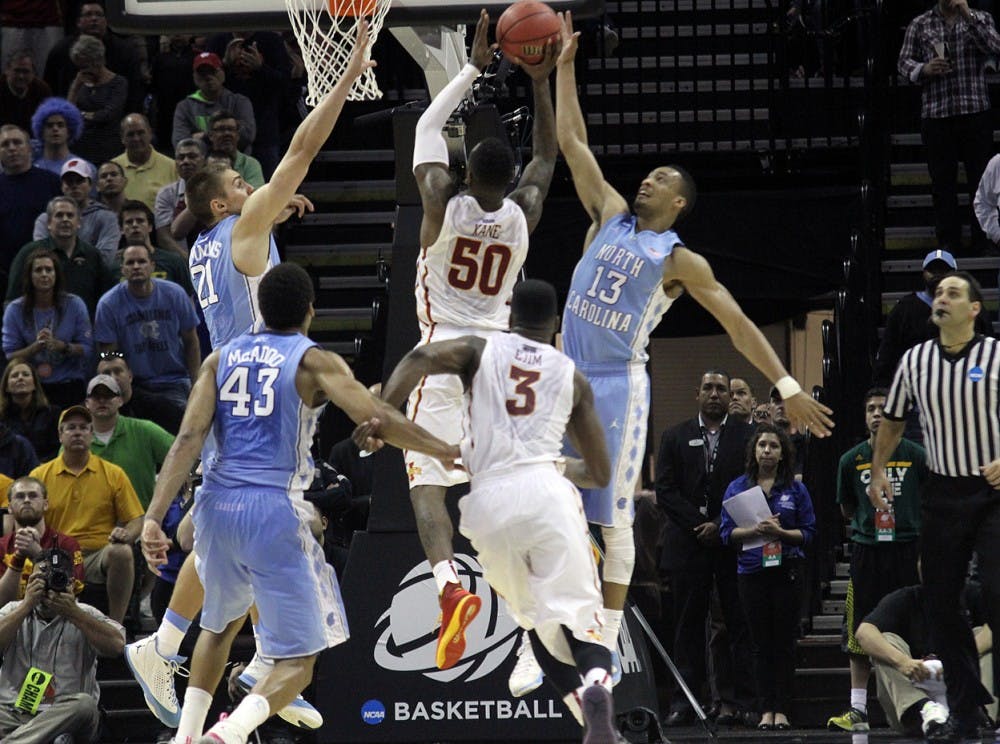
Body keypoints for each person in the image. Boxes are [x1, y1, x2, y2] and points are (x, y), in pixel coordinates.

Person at [546, 12, 834, 680]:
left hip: (618, 384)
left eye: (661, 178)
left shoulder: (677, 258)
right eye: (647, 174)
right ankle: (555, 624)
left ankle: (607, 642)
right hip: (565, 373)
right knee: (549, 499)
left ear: (679, 203)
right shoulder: (607, 215)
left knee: (612, 517)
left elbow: (735, 322)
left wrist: (787, 385)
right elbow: (571, 139)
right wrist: (563, 68)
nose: (647, 180)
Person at [122, 24, 376, 734]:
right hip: (254, 392)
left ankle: (226, 654)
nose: (251, 182)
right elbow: (300, 151)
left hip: (235, 384)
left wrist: (267, 217)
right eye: (241, 184)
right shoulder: (238, 229)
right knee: (263, 522)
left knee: (243, 533)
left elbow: (253, 221)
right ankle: (175, 644)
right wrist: (347, 74)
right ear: (222, 205)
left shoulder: (210, 242)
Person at [140, 261, 459, 744]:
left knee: (219, 627)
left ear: (262, 309)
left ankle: (187, 736)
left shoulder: (218, 358)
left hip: (216, 508)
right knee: (300, 663)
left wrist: (152, 517)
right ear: (310, 311)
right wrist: (445, 449)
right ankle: (227, 735)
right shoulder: (313, 361)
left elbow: (187, 438)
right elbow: (378, 416)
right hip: (273, 509)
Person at [371, 278, 623, 741]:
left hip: (488, 504)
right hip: (547, 492)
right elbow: (599, 474)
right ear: (554, 324)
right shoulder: (572, 376)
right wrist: (558, 461)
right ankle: (597, 684)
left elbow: (421, 357)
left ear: (509, 317)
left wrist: (380, 413)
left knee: (535, 622)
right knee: (581, 625)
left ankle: (590, 721)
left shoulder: (478, 349)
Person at [383, 9, 557, 673]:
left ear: (464, 172)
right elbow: (546, 155)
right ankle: (531, 619)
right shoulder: (522, 212)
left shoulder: (437, 200)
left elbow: (429, 127)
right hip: (500, 359)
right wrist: (538, 80)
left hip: (441, 353)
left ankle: (449, 586)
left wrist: (475, 70)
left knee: (428, 485)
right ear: (505, 179)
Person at [869, 270, 1000, 741]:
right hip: (943, 493)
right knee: (942, 606)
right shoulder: (914, 360)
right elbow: (894, 420)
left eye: (953, 292)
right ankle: (966, 710)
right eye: (939, 291)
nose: (941, 297)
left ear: (973, 309)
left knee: (995, 592)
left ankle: (981, 700)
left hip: (992, 493)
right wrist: (879, 469)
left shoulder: (997, 353)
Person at [656, 370, 756, 726]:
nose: (715, 394)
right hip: (687, 542)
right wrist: (698, 525)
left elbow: (751, 484)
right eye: (709, 389)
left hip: (731, 541)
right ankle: (684, 702)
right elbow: (664, 490)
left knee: (736, 622)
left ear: (730, 397)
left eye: (721, 389)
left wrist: (720, 523)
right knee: (687, 625)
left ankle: (742, 700)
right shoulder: (674, 435)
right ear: (696, 393)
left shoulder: (748, 436)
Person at [826, 388, 927, 732]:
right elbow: (846, 508)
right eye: (870, 408)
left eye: (883, 408)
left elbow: (929, 502)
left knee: (910, 624)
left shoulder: (916, 455)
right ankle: (858, 709)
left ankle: (920, 702)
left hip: (907, 548)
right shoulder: (850, 459)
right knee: (862, 628)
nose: (877, 414)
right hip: (868, 550)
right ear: (864, 416)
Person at [720, 424, 816, 730]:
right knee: (759, 643)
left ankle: (783, 709)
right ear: (753, 450)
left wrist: (780, 533)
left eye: (773, 446)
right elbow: (726, 534)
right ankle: (765, 710)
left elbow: (808, 533)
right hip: (751, 572)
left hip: (787, 569)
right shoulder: (738, 488)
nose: (767, 451)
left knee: (784, 643)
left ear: (783, 452)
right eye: (762, 445)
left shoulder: (796, 489)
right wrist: (755, 531)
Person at [897, 0, 1000, 254]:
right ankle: (948, 242)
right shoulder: (920, 24)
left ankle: (983, 240)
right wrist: (924, 68)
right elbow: (903, 62)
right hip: (937, 114)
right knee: (942, 184)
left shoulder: (980, 18)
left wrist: (968, 15)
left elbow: (995, 46)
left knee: (980, 181)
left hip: (974, 111)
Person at [28, 405, 144, 623]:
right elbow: (28, 518)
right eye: (71, 428)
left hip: (97, 554)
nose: (78, 432)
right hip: (56, 553)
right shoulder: (40, 475)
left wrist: (126, 534)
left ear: (92, 435)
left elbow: (136, 519)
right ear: (60, 435)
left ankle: (115, 626)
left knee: (122, 552)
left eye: (84, 427)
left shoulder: (113, 473)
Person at [0, 549, 125, 743]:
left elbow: (117, 646)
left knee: (85, 705)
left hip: (66, 715)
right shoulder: (13, 610)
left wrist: (73, 613)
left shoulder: (86, 613)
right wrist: (26, 605)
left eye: (54, 579)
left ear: (71, 584)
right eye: (39, 580)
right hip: (13, 713)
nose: (47, 587)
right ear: (29, 582)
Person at [855, 579, 994, 738]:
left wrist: (962, 657)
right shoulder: (905, 598)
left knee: (984, 635)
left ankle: (983, 712)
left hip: (966, 696)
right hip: (916, 707)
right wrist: (902, 662)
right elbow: (863, 633)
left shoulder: (973, 594)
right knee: (885, 642)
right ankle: (925, 708)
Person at [94, 242, 201, 410]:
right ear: (122, 269)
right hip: (134, 385)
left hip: (174, 381)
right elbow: (110, 356)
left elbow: (191, 341)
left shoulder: (175, 294)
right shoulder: (108, 304)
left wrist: (196, 382)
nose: (136, 266)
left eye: (142, 262)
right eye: (130, 263)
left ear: (152, 266)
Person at [873, 249, 992, 392]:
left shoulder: (972, 308)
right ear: (923, 273)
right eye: (932, 270)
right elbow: (888, 353)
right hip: (917, 392)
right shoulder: (904, 309)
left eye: (943, 270)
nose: (937, 275)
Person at [1, 246, 93, 409]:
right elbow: (10, 355)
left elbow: (87, 349)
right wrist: (35, 348)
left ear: (56, 274)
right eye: (38, 270)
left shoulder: (75, 304)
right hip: (33, 387)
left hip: (69, 383)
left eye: (49, 270)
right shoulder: (14, 309)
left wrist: (63, 347)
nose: (44, 274)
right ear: (29, 276)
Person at [6, 195, 116, 316]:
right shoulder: (28, 253)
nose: (65, 219)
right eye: (59, 215)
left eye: (70, 215)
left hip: (83, 330)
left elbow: (107, 298)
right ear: (48, 223)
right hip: (38, 330)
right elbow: (12, 301)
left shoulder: (92, 255)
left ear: (79, 222)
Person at [84, 373, 174, 510]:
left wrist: (162, 487)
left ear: (120, 400)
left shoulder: (144, 430)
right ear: (87, 403)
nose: (102, 400)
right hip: (93, 523)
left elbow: (180, 455)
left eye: (108, 395)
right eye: (96, 396)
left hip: (141, 519)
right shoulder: (78, 440)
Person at [0, 476, 85, 607]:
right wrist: (18, 558)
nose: (27, 500)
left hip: (55, 617)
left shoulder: (67, 544)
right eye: (20, 496)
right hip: (11, 620)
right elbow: (2, 603)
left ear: (46, 504)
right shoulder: (1, 546)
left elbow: (68, 595)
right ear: (9, 507)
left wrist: (38, 554)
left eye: (33, 496)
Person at [0, 124, 61, 282]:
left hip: (48, 270)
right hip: (5, 274)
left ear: (29, 148)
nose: (12, 148)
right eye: (5, 144)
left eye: (17, 142)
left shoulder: (52, 182)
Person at [31, 158, 120, 267]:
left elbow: (105, 258)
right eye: (69, 182)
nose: (74, 186)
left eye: (79, 181)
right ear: (62, 187)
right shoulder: (45, 219)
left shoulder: (107, 217)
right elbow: (41, 254)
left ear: (90, 185)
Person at [172, 52, 256, 152]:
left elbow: (247, 136)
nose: (208, 77)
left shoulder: (240, 102)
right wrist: (227, 133)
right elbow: (180, 143)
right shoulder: (184, 107)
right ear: (195, 78)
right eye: (202, 73)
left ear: (222, 74)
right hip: (201, 164)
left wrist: (203, 136)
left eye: (213, 71)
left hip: (236, 163)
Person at [66, 35, 128, 167]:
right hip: (80, 149)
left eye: (85, 66)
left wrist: (81, 114)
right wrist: (75, 87)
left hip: (108, 149)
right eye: (80, 67)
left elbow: (107, 115)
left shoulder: (118, 83)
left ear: (98, 61)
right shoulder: (80, 81)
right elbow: (68, 113)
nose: (82, 71)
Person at [97, 350, 184, 435]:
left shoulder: (158, 407)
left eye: (118, 371)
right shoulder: (94, 414)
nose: (113, 377)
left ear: (130, 376)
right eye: (106, 374)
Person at [118, 199, 195, 293]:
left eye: (140, 221)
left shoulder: (173, 261)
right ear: (121, 229)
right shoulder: (113, 265)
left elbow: (188, 297)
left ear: (150, 226)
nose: (135, 225)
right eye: (129, 222)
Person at [111, 113, 177, 212]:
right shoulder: (112, 168)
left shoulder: (172, 167)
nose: (136, 138)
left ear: (150, 133)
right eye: (130, 134)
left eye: (141, 133)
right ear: (122, 138)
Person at [154, 138, 207, 257]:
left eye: (192, 156)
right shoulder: (166, 194)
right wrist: (189, 261)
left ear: (204, 161)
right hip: (182, 262)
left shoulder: (218, 189)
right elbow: (164, 237)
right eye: (181, 157)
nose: (186, 161)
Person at [0, 361, 61, 461]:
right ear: (6, 387)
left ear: (34, 384)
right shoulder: (2, 417)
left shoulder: (53, 413)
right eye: (15, 376)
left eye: (26, 374)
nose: (20, 378)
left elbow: (58, 449)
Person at [204, 110, 264, 188]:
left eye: (231, 129)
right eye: (221, 129)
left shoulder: (250, 164)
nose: (227, 133)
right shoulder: (202, 162)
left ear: (238, 135)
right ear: (210, 135)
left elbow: (255, 195)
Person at [29, 97, 86, 176]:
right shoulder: (30, 167)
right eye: (49, 125)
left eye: (60, 125)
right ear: (41, 132)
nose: (55, 129)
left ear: (69, 131)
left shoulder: (84, 168)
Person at [0, 52, 52, 133]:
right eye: (17, 71)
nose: (21, 76)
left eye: (26, 71)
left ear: (33, 73)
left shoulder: (42, 90)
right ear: (7, 71)